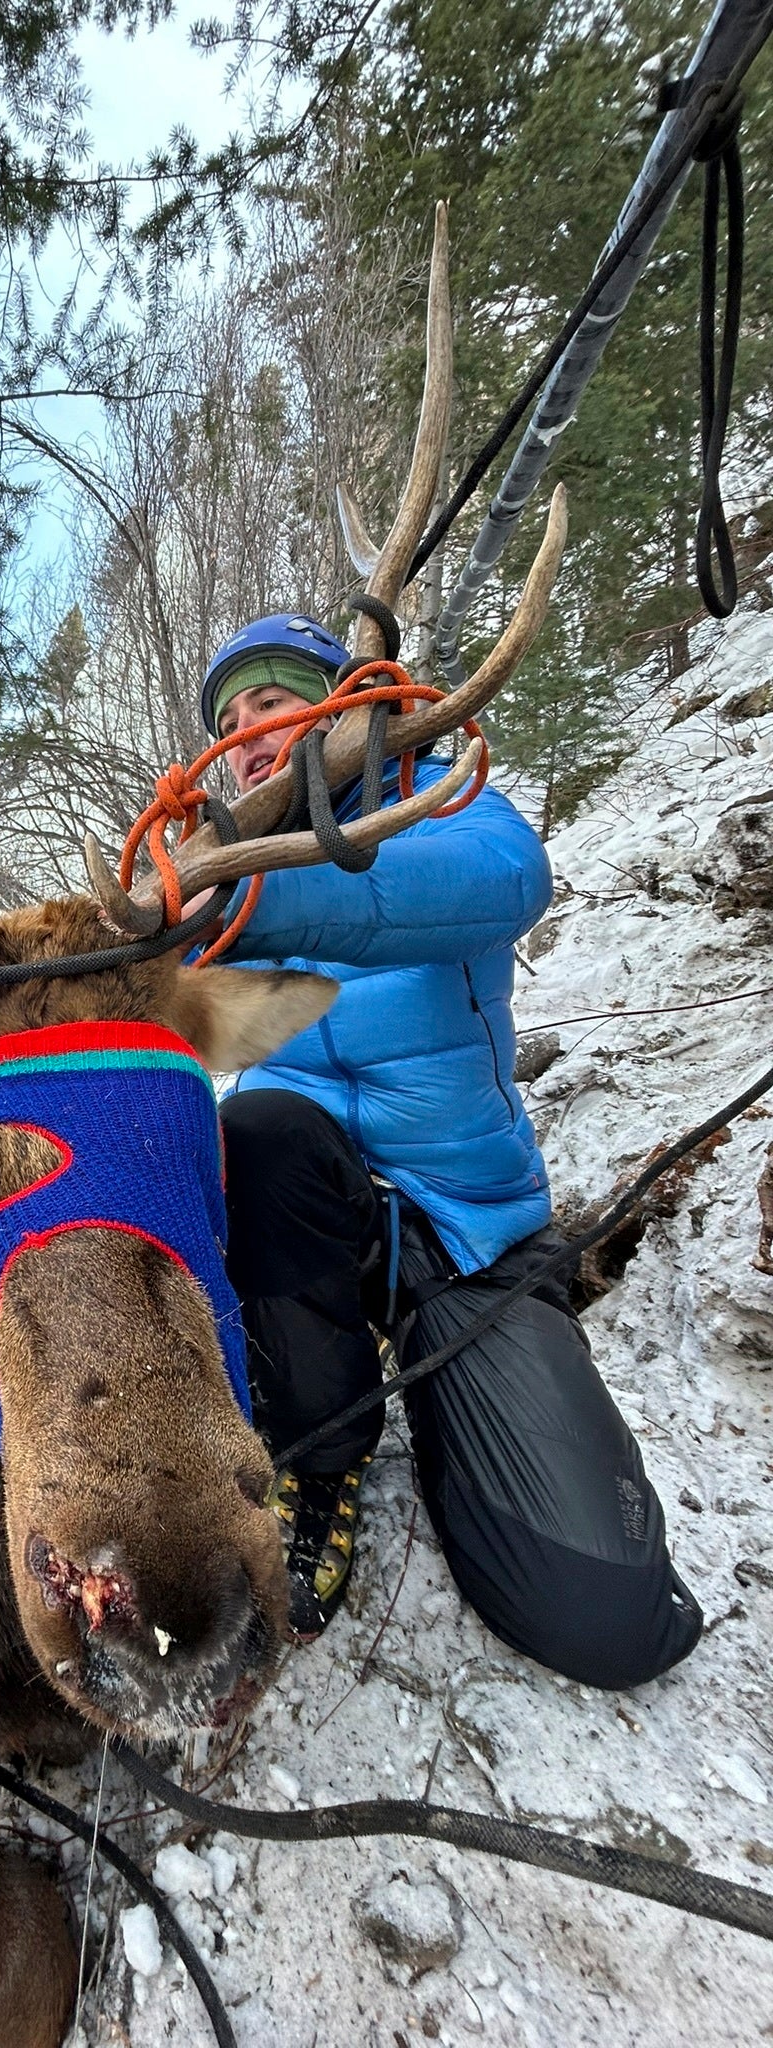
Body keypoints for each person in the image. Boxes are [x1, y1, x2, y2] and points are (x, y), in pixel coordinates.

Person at [201, 612, 702, 1689]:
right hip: (307, 1215)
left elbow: (504, 881)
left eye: (272, 701)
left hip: (463, 1231)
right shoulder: (214, 882)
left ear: (350, 706)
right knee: (253, 1132)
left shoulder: (445, 806)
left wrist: (263, 891)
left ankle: (447, 1386)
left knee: (602, 1615)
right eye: (226, 720)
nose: (244, 733)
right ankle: (323, 1452)